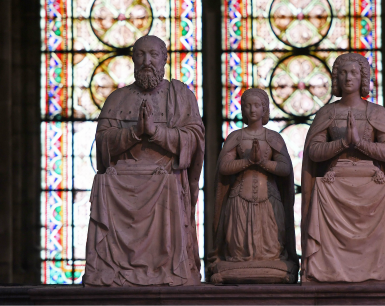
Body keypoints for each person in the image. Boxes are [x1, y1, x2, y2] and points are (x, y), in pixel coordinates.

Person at [83, 35, 205, 287]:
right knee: (104, 183)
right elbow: (102, 145)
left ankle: (167, 269)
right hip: (122, 185)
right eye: (140, 55)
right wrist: (135, 132)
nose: (146, 61)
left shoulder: (181, 96)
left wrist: (157, 133)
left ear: (164, 58)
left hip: (165, 180)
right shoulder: (117, 99)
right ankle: (111, 270)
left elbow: (194, 141)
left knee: (168, 183)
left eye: (153, 55)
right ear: (132, 59)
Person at [300, 53, 385, 283]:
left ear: (363, 78)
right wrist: (343, 143)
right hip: (335, 182)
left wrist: (359, 143)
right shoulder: (327, 113)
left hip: (373, 183)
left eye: (353, 73)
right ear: (336, 79)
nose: (348, 77)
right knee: (322, 190)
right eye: (343, 73)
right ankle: (327, 270)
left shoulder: (377, 113)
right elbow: (314, 151)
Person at [208, 88, 297, 284]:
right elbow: (223, 167)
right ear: (242, 109)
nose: (252, 109)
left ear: (265, 109)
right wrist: (248, 161)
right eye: (247, 105)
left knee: (271, 246)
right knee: (238, 246)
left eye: (257, 105)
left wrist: (263, 163)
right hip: (239, 198)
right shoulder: (236, 137)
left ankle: (271, 263)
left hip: (269, 199)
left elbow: (285, 169)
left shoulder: (273, 137)